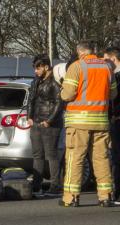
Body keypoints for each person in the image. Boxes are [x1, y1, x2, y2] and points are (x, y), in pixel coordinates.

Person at [60, 41, 117, 207]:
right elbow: (113, 94)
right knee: (102, 158)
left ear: (80, 52)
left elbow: (68, 95)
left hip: (79, 122)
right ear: (94, 51)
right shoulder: (107, 67)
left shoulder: (77, 67)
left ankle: (71, 197)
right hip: (100, 121)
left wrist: (62, 89)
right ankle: (105, 196)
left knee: (74, 158)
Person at [27, 54, 63, 195]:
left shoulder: (55, 82)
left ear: (46, 67)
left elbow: (59, 103)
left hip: (50, 124)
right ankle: (37, 185)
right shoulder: (35, 81)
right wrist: (28, 116)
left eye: (38, 68)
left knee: (51, 155)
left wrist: (50, 120)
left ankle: (55, 185)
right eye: (35, 68)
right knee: (37, 155)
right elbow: (30, 100)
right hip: (35, 122)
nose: (35, 71)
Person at [103, 46, 120, 203]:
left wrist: (114, 115)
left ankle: (117, 193)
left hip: (117, 121)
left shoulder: (115, 77)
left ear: (113, 60)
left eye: (106, 60)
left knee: (116, 158)